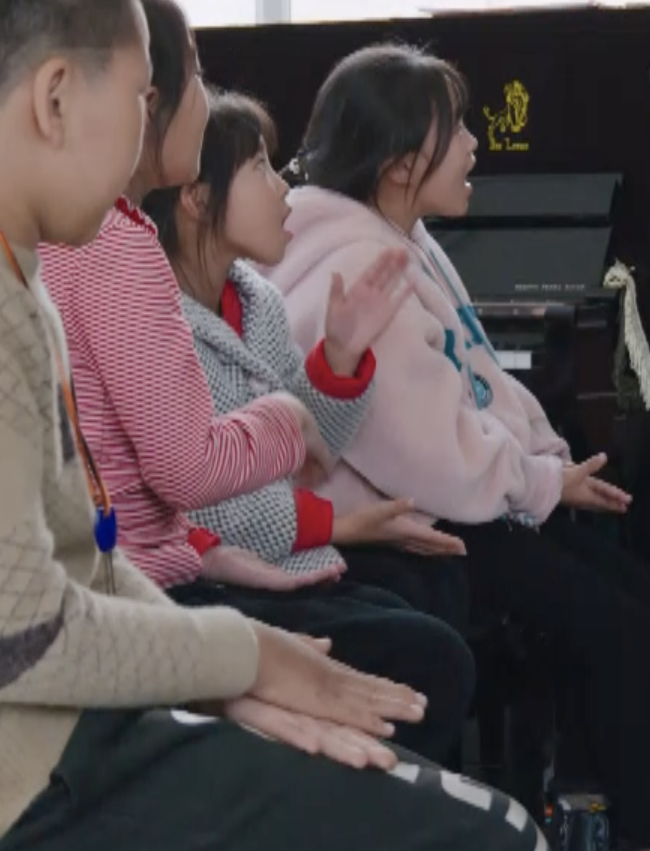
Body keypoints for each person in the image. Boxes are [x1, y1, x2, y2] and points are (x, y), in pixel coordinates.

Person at [0, 0, 548, 851]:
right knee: (488, 836)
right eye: (140, 93)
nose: (144, 133)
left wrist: (228, 676)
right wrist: (244, 654)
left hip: (31, 751)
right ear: (56, 98)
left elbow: (88, 553)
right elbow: (13, 642)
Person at [275, 44, 650, 849]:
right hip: (418, 527)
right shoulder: (361, 269)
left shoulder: (403, 237)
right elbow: (434, 458)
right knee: (617, 627)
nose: (473, 145)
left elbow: (480, 377)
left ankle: (601, 812)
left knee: (636, 591)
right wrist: (537, 485)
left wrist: (545, 462)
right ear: (398, 165)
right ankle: (634, 832)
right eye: (454, 130)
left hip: (466, 502)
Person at [139, 87, 478, 761]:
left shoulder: (255, 299)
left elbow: (308, 452)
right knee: (427, 644)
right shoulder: (156, 317)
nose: (284, 189)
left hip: (282, 559)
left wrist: (340, 358)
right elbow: (201, 493)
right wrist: (341, 526)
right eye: (260, 169)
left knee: (436, 594)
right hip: (213, 582)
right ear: (196, 199)